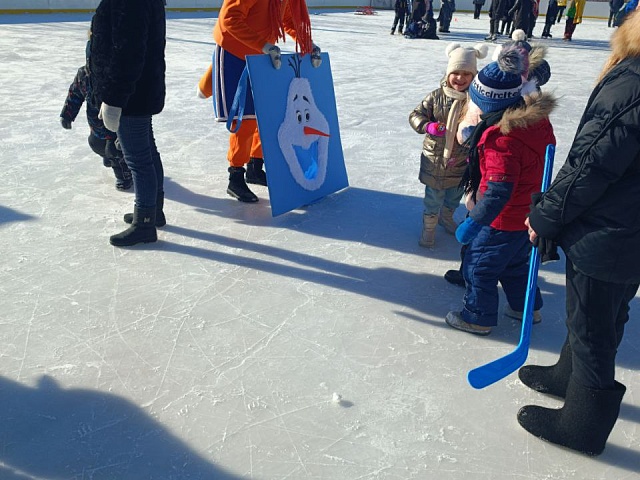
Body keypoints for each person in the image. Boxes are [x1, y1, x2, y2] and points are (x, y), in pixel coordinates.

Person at [517, 10, 640, 456]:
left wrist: (547, 215)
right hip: (626, 228)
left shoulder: (634, 83)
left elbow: (592, 164)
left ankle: (583, 426)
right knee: (601, 314)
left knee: (593, 327)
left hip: (611, 229)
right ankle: (567, 376)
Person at [444, 44, 556, 336]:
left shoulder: (501, 140)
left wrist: (473, 222)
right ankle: (526, 308)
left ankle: (477, 317)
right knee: (515, 265)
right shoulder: (537, 121)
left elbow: (497, 191)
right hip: (528, 216)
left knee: (478, 268)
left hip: (502, 220)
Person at [197, 0, 321, 204]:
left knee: (265, 115)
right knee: (245, 119)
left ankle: (255, 167)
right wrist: (264, 46)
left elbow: (288, 19)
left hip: (261, 56)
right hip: (234, 51)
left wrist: (308, 44)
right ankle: (235, 175)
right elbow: (229, 19)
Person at [90, 0, 167, 247]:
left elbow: (129, 50)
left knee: (138, 157)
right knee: (147, 150)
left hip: (132, 94)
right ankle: (153, 211)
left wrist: (114, 99)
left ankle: (144, 222)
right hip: (141, 89)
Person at [409, 43, 488, 248]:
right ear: (448, 73)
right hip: (435, 158)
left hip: (461, 159)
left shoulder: (475, 101)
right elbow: (415, 115)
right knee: (433, 197)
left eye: (466, 74)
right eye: (456, 73)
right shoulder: (436, 96)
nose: (460, 79)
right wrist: (428, 126)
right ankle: (429, 228)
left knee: (455, 194)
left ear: (473, 76)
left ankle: (446, 217)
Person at [60, 36, 132, 192]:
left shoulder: (114, 77)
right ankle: (112, 158)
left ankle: (124, 174)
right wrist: (67, 114)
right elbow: (75, 94)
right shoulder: (84, 75)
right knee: (96, 144)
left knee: (116, 151)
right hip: (97, 126)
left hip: (116, 128)